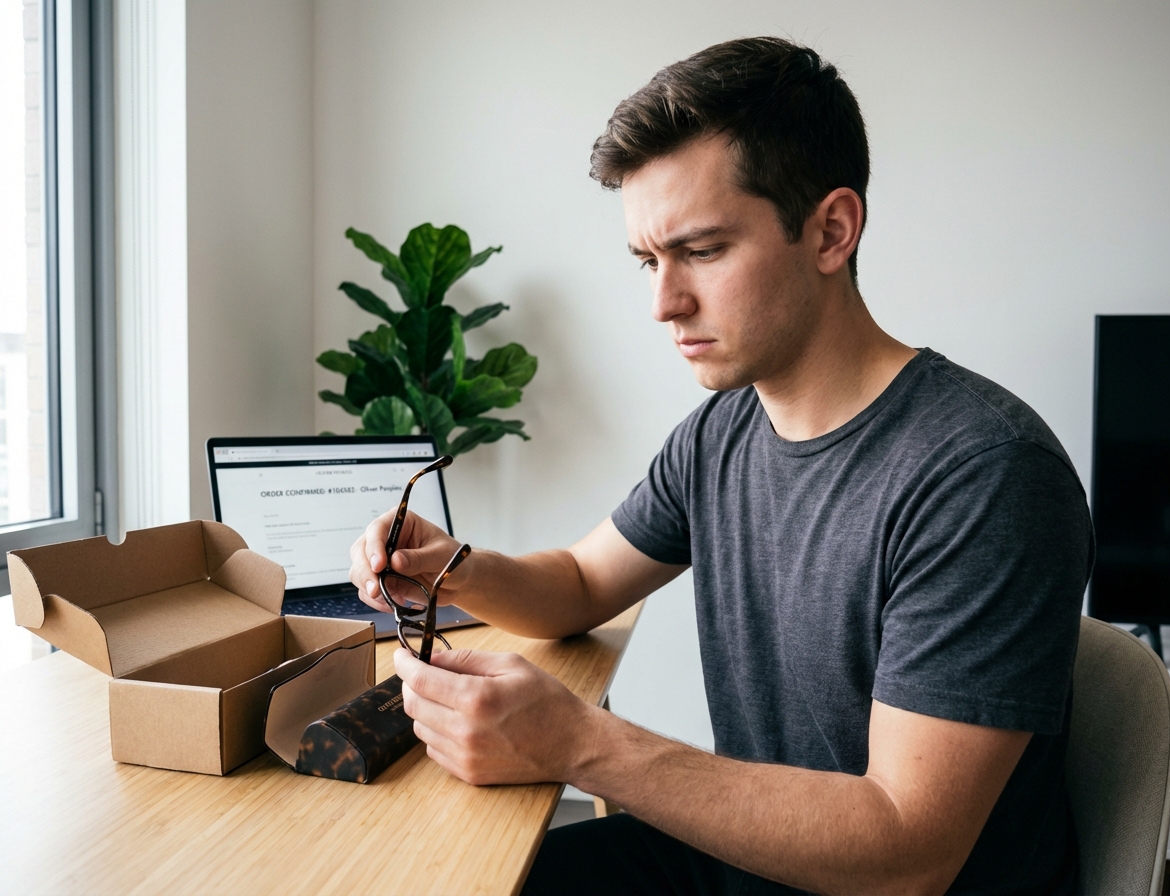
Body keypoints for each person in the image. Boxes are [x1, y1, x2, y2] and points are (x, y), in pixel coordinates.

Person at [349, 37, 1092, 895]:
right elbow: (584, 584)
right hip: (755, 863)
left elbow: (908, 850)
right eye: (648, 261)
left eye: (701, 251)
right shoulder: (723, 432)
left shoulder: (986, 475)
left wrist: (580, 743)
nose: (664, 303)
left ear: (831, 230)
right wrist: (451, 567)